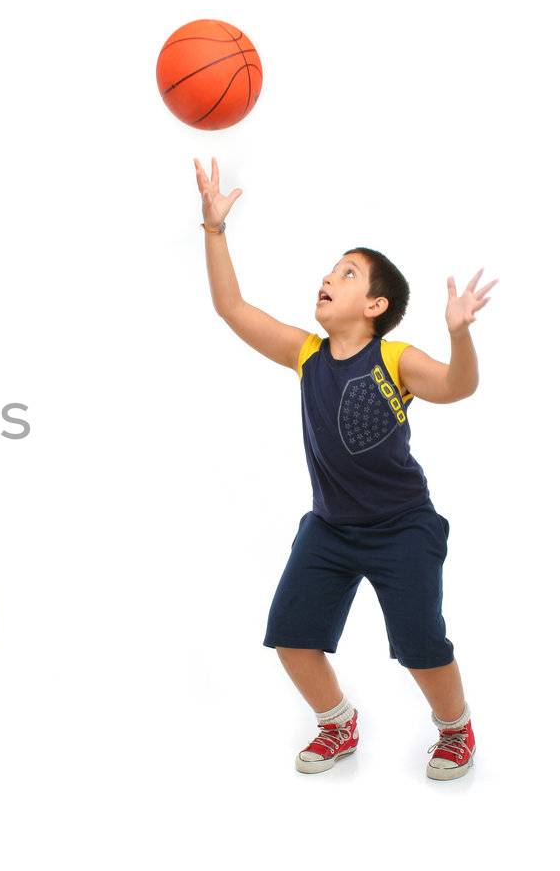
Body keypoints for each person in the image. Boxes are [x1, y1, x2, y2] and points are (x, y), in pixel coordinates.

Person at [194, 158, 492, 779]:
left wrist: (460, 336)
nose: (328, 278)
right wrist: (214, 231)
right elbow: (231, 307)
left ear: (375, 304)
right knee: (290, 637)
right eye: (331, 270)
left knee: (419, 645)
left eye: (347, 273)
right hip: (330, 527)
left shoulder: (395, 358)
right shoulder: (306, 355)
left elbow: (457, 388)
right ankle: (337, 723)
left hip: (403, 526)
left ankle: (455, 728)